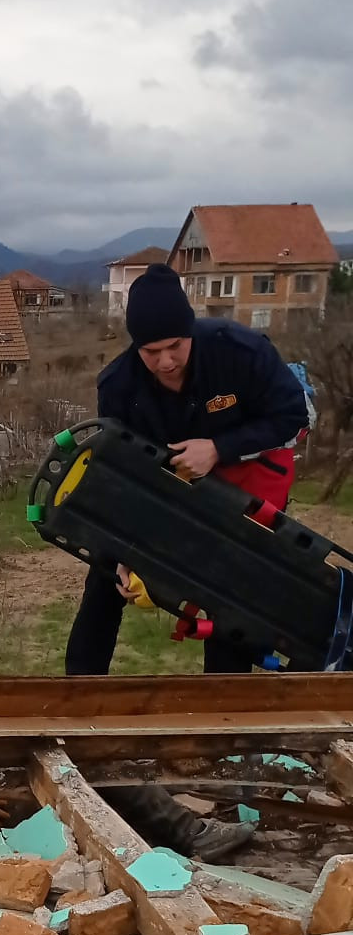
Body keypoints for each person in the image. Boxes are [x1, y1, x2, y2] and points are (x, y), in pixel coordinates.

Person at [65, 262, 308, 678]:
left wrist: (219, 448)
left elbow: (291, 415)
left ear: (190, 331)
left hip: (246, 476)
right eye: (150, 352)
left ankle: (224, 710)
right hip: (168, 489)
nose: (165, 361)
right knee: (104, 575)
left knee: (229, 585)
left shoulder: (241, 353)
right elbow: (121, 476)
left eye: (175, 346)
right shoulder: (118, 387)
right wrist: (125, 551)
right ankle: (78, 695)